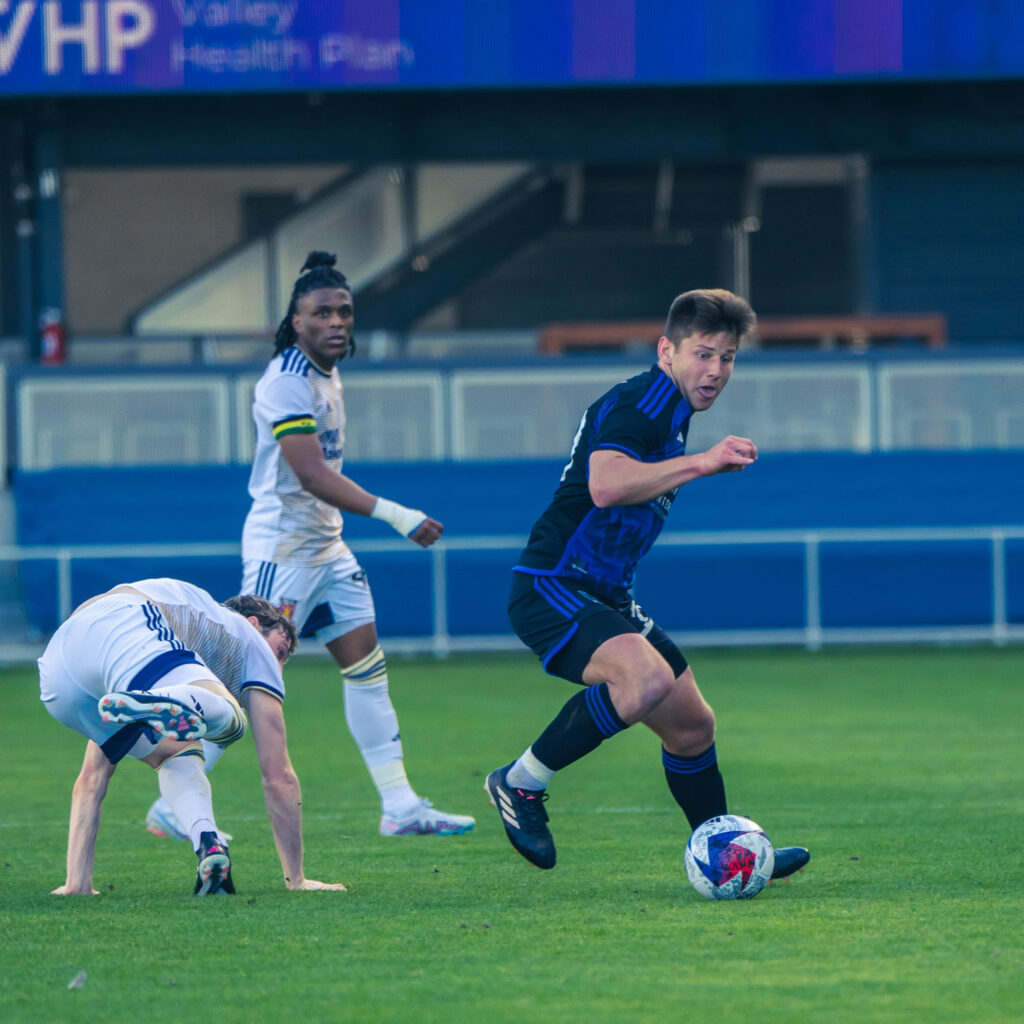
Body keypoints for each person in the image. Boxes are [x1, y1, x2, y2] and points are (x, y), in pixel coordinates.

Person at [147, 250, 473, 841]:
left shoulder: (326, 372)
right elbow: (311, 475)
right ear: (296, 322)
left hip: (328, 551)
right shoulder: (285, 382)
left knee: (368, 671)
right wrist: (400, 516)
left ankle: (399, 806)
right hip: (282, 555)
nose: (336, 321)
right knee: (238, 680)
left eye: (344, 311)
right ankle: (176, 800)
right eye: (322, 312)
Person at [485, 288, 810, 879]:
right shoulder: (644, 401)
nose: (716, 371)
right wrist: (704, 463)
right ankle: (519, 783)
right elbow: (605, 485)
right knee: (645, 681)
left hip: (606, 594)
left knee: (692, 725)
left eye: (729, 357)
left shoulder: (676, 411)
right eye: (704, 354)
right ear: (667, 350)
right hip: (553, 584)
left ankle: (726, 849)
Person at [39, 577, 347, 896]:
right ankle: (173, 700)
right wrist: (296, 879)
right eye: (280, 652)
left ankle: (207, 846)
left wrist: (76, 883)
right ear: (254, 624)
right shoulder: (248, 641)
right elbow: (278, 777)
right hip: (126, 621)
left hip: (60, 674)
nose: (278, 667)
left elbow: (92, 779)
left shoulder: (189, 629)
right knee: (234, 722)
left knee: (177, 752)